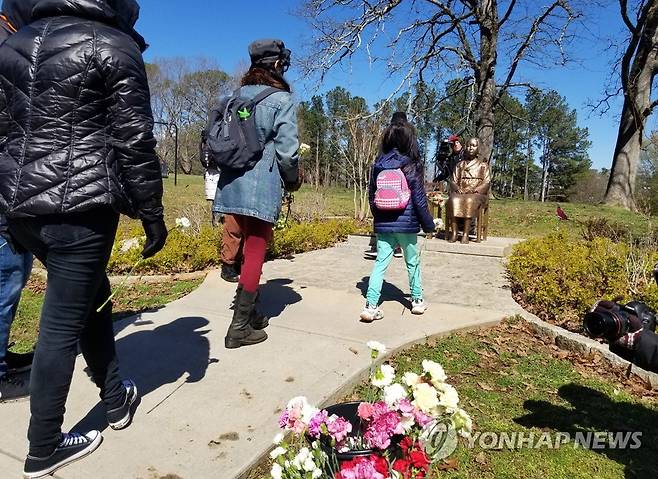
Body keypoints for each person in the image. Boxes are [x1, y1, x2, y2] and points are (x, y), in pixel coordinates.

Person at [0, 0, 167, 477]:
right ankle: (44, 446)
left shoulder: (12, 44)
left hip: (22, 208)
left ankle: (115, 399)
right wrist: (151, 213)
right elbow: (134, 139)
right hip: (81, 208)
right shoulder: (113, 45)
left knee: (95, 297)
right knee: (59, 328)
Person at [214, 39, 300, 349]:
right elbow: (288, 153)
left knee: (247, 250)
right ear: (277, 65)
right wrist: (292, 180)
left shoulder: (234, 97)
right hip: (260, 186)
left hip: (231, 182)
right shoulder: (281, 100)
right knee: (254, 252)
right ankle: (238, 329)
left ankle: (249, 314)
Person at [360, 115, 435, 322]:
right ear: (409, 140)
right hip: (407, 224)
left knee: (380, 264)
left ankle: (370, 305)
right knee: (412, 262)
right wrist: (428, 224)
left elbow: (371, 195)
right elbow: (419, 199)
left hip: (384, 224)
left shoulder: (378, 164)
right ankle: (417, 301)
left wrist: (379, 218)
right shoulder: (411, 164)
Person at [0, 0, 38, 403]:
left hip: (13, 190)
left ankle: (3, 355)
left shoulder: (12, 42)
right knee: (5, 279)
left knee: (12, 275)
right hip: (4, 194)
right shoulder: (7, 48)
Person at [446, 137, 490, 244]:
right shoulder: (460, 165)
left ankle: (466, 233)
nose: (470, 148)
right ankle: (455, 232)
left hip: (476, 194)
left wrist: (475, 189)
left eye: (473, 146)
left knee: (470, 200)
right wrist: (458, 188)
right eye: (469, 145)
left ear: (478, 148)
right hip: (461, 192)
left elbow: (487, 182)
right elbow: (453, 181)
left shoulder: (483, 165)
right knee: (453, 199)